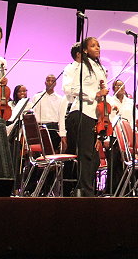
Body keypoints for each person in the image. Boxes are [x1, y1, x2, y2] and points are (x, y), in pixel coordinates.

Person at [64, 36, 107, 196]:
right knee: (86, 155)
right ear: (85, 50)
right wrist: (95, 94)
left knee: (94, 158)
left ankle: (84, 189)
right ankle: (86, 193)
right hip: (82, 113)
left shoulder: (99, 68)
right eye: (93, 46)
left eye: (98, 45)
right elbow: (73, 89)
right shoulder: (82, 66)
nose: (97, 48)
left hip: (95, 114)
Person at [32, 74, 66, 153]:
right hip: (40, 127)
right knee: (40, 151)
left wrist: (62, 134)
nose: (50, 83)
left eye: (52, 81)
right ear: (45, 82)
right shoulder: (37, 97)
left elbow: (61, 117)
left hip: (54, 128)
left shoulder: (60, 99)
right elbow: (34, 114)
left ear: (55, 83)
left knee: (52, 150)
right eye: (48, 80)